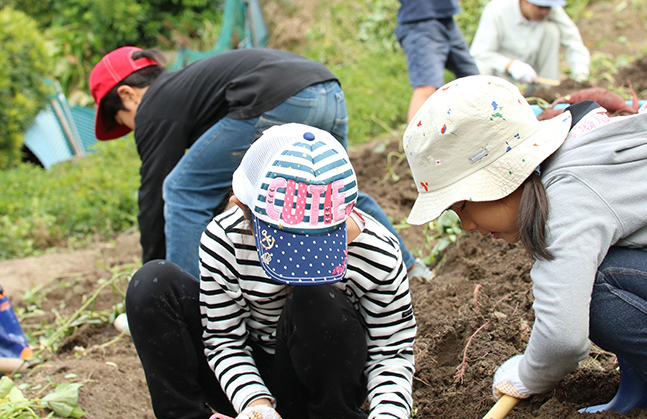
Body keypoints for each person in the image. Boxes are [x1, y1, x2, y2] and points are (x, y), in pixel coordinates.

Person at [125, 123, 423, 419]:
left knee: (315, 296)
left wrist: (390, 418)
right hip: (249, 378)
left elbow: (391, 349)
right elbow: (223, 340)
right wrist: (254, 402)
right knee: (153, 284)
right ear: (243, 208)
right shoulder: (225, 238)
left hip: (322, 374)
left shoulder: (378, 252)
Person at [403, 74, 647, 414]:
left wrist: (528, 374)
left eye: (463, 206)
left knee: (597, 289)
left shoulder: (568, 196)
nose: (466, 226)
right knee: (596, 266)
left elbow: (562, 339)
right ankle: (641, 395)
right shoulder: (583, 144)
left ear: (505, 174)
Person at [89, 46, 431, 281]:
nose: (134, 129)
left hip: (280, 100)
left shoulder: (154, 106)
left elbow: (156, 196)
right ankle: (411, 269)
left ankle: (187, 305)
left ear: (128, 95)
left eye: (124, 121)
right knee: (335, 189)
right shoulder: (189, 87)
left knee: (180, 190)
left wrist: (152, 274)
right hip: (325, 88)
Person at [469, 0, 590, 88]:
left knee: (551, 31)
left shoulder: (551, 10)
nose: (546, 12)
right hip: (499, 78)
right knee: (480, 67)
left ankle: (546, 93)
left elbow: (572, 39)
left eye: (549, 7)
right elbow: (479, 55)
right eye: (541, 7)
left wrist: (581, 75)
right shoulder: (497, 10)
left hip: (533, 80)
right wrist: (510, 65)